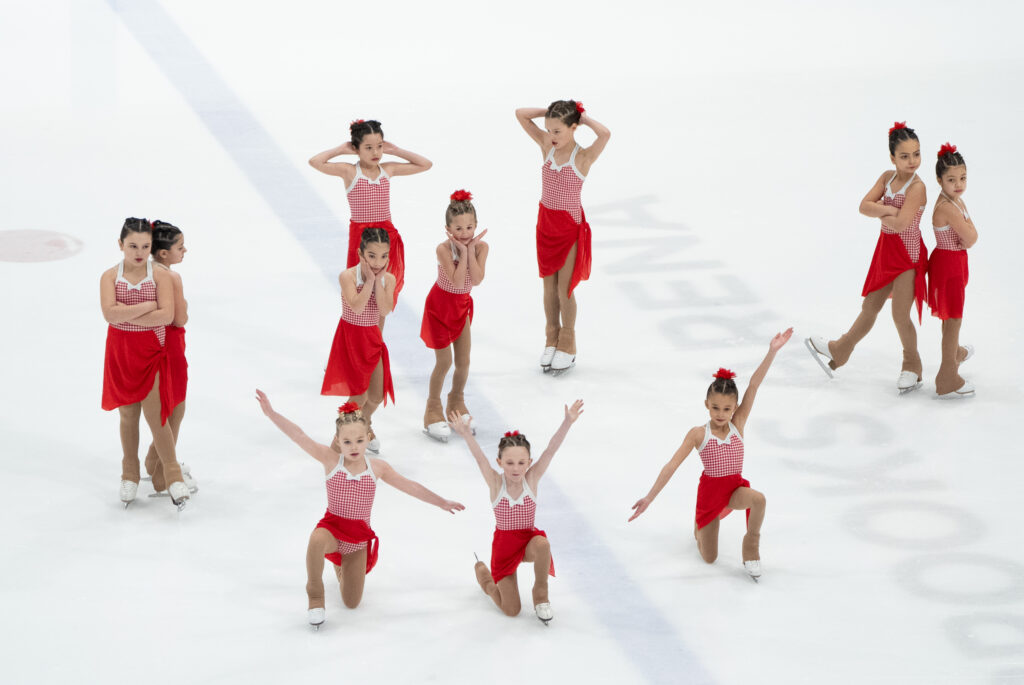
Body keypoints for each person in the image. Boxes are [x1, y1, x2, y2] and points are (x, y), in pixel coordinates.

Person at [255, 393, 464, 629]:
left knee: (351, 603)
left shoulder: (378, 468)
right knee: (316, 539)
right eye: (347, 442)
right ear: (338, 440)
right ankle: (315, 595)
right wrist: (271, 414)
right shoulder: (331, 460)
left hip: (357, 541)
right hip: (332, 530)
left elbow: (410, 486)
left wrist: (441, 502)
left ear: (368, 438)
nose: (353, 447)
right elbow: (299, 435)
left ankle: (340, 564)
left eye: (359, 441)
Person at [629, 329, 793, 581]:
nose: (720, 412)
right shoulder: (698, 434)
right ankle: (700, 527)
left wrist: (772, 351)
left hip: (735, 489)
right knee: (710, 558)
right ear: (706, 404)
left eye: (726, 408)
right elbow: (672, 465)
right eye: (715, 407)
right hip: (710, 496)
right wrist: (649, 498)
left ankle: (751, 549)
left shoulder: (738, 423)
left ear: (734, 407)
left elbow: (754, 384)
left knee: (758, 499)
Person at [806, 122, 928, 393]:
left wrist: (881, 209)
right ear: (892, 157)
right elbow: (863, 206)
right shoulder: (887, 177)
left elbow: (902, 224)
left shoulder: (917, 187)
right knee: (870, 306)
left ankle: (913, 365)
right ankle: (840, 350)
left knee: (900, 314)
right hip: (886, 251)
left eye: (917, 154)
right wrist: (887, 210)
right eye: (905, 156)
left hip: (908, 256)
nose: (912, 161)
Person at [448, 400, 585, 622]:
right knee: (512, 610)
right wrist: (466, 434)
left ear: (529, 462)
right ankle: (484, 576)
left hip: (527, 542)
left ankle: (541, 596)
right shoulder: (495, 483)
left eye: (521, 463)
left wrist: (567, 422)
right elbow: (479, 459)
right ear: (500, 462)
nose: (516, 468)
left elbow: (551, 450)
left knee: (542, 543)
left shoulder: (531, 479)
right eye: (510, 463)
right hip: (504, 548)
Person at [100, 217, 190, 509]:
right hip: (121, 353)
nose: (139, 252)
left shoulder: (161, 276)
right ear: (121, 245)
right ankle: (129, 474)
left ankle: (173, 475)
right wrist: (147, 306)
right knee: (128, 415)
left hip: (153, 352)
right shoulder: (109, 277)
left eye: (145, 246)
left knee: (157, 414)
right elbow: (110, 315)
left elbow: (165, 317)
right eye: (132, 245)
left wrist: (127, 312)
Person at [514, 100, 610, 373]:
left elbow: (605, 134)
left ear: (573, 128)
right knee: (547, 287)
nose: (552, 136)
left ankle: (568, 342)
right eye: (549, 130)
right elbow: (521, 115)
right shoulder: (546, 145)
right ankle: (551, 337)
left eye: (558, 131)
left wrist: (581, 115)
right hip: (545, 222)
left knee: (563, 288)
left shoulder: (582, 157)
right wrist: (552, 112)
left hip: (568, 227)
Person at [308, 119, 431, 320]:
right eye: (368, 147)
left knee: (381, 292)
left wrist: (396, 150)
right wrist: (340, 149)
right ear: (356, 149)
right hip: (362, 239)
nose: (376, 153)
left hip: (385, 237)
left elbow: (425, 164)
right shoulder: (349, 171)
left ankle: (377, 342)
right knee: (362, 289)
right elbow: (315, 162)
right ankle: (364, 340)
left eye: (379, 146)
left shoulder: (387, 170)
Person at [420, 190, 489, 441]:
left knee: (464, 361)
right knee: (444, 362)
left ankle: (456, 402)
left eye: (469, 227)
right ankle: (432, 407)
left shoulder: (482, 247)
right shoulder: (443, 249)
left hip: (462, 307)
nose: (465, 232)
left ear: (476, 225)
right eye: (458, 228)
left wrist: (470, 251)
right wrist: (460, 249)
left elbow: (477, 280)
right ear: (448, 228)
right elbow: (458, 279)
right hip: (439, 307)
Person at [321, 227, 394, 453]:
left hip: (372, 338)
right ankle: (338, 443)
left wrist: (379, 281)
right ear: (361, 254)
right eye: (372, 256)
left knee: (375, 396)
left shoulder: (388, 279)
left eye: (383, 256)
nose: (377, 262)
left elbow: (384, 308)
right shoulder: (348, 276)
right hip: (351, 338)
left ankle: (363, 425)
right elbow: (358, 306)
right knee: (358, 396)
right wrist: (370, 282)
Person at [142, 220, 197, 494]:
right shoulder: (171, 277)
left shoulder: (145, 270)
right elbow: (180, 317)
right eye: (180, 246)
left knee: (165, 404)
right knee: (175, 406)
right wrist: (185, 306)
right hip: (171, 344)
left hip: (151, 342)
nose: (185, 250)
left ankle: (154, 461)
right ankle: (164, 474)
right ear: (163, 252)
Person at [928, 143, 977, 398]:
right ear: (939, 180)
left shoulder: (956, 200)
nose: (959, 184)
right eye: (951, 179)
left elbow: (969, 236)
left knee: (951, 317)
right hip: (948, 264)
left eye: (963, 178)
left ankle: (954, 353)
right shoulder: (947, 206)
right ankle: (947, 378)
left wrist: (968, 232)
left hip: (954, 262)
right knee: (954, 318)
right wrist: (968, 231)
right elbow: (971, 238)